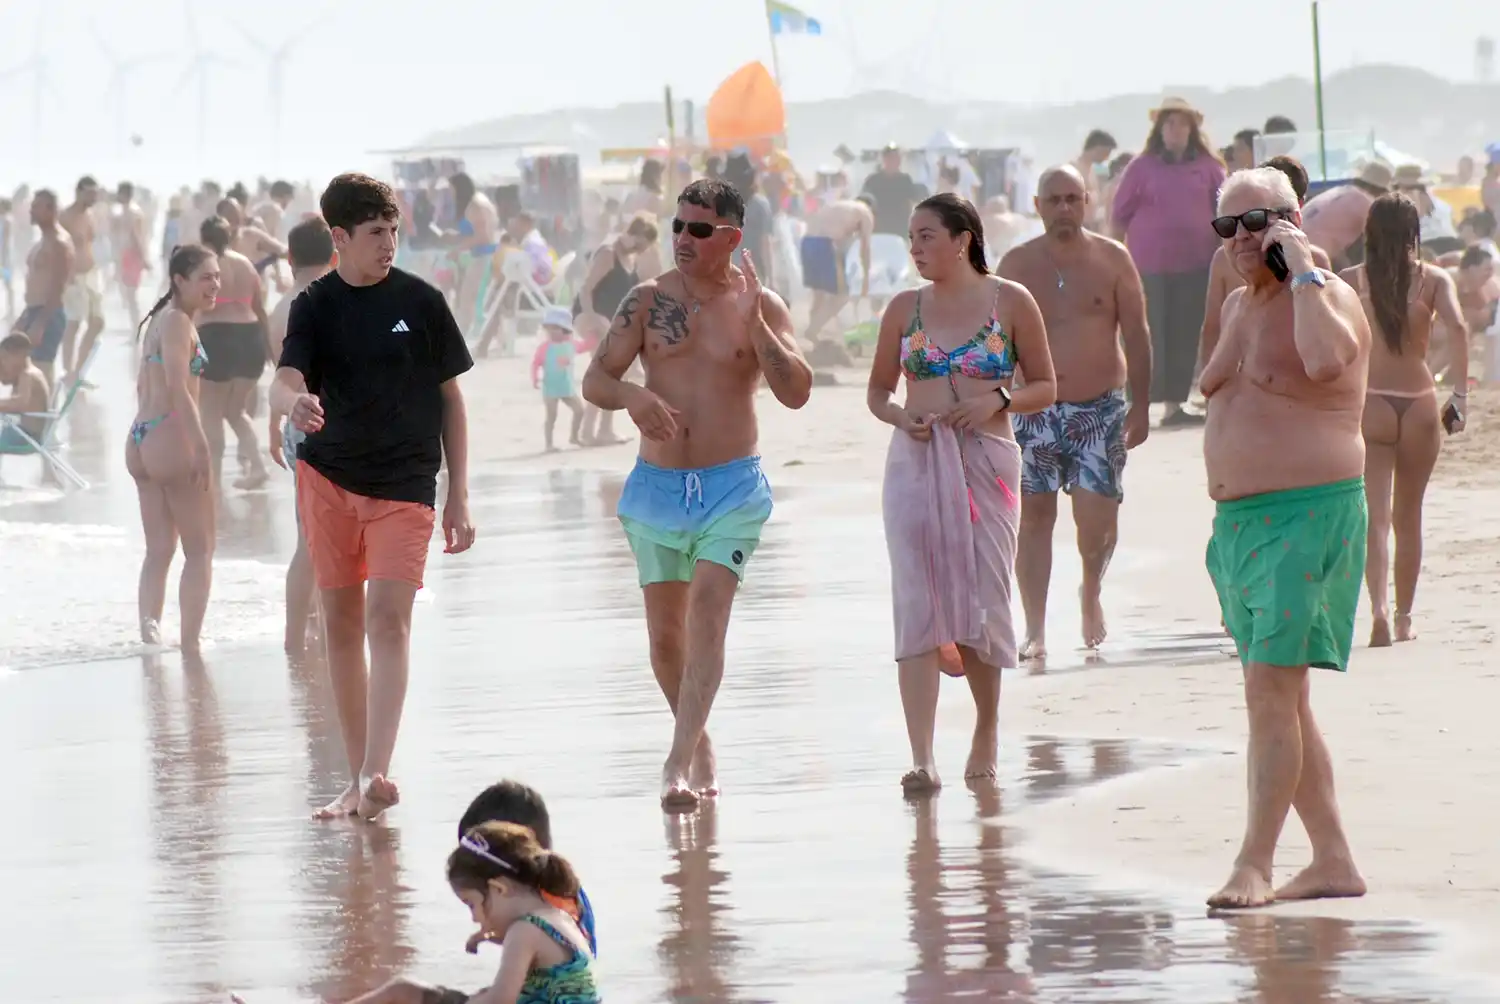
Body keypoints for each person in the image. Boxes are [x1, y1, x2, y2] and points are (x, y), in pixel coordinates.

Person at [581, 179, 812, 809]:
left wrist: (759, 325)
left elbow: (796, 390)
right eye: (678, 226)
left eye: (699, 230)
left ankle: (676, 763)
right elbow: (595, 378)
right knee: (665, 640)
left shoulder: (759, 304)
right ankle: (699, 740)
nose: (683, 238)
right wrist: (632, 396)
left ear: (732, 238)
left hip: (732, 485)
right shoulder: (647, 297)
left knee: (709, 614)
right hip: (656, 488)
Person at [271, 172, 476, 822]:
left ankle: (377, 769)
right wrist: (293, 401)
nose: (388, 244)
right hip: (328, 480)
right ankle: (357, 776)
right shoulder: (315, 305)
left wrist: (459, 494)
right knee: (339, 626)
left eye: (393, 231)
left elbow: (451, 398)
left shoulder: (420, 301)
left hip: (406, 485)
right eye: (375, 234)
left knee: (388, 620)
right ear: (339, 237)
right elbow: (284, 378)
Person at [1198, 166, 1370, 909]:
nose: (1241, 239)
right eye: (1226, 227)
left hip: (1309, 516)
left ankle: (1254, 863)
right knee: (1281, 700)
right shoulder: (1238, 303)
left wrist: (1299, 265)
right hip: (1240, 529)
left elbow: (1327, 360)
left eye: (1256, 221)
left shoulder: (1326, 296)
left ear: (1290, 220)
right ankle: (1333, 860)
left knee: (1271, 694)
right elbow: (1211, 382)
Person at [867, 193, 1056, 793]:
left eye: (927, 236)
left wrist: (997, 399)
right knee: (917, 599)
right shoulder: (903, 308)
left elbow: (1046, 386)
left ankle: (986, 726)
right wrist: (902, 419)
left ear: (963, 239)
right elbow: (877, 394)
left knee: (984, 594)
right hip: (916, 461)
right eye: (911, 238)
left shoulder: (1012, 301)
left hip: (988, 464)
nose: (916, 248)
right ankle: (921, 755)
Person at [999, 165, 1151, 659]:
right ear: (1038, 206)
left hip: (1100, 407)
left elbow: (1138, 333)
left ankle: (1091, 588)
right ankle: (1036, 627)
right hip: (1033, 409)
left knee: (1098, 521)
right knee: (1034, 519)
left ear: (1087, 203)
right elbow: (997, 341)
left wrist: (1143, 406)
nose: (1064, 208)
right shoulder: (1016, 265)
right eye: (1054, 200)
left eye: (1072, 199)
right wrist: (995, 408)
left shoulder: (1113, 259)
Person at [1340, 194, 1468, 647]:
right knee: (1407, 516)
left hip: (1370, 399)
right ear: (1415, 234)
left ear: (1369, 233)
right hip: (1418, 400)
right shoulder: (1433, 280)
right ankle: (1404, 616)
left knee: (1373, 517)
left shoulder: (1351, 280)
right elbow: (1457, 327)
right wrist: (1459, 393)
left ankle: (1375, 609)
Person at [1110, 96, 1226, 427]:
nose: (1175, 130)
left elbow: (1225, 210)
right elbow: (1119, 216)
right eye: (1169, 123)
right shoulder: (1141, 167)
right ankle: (1139, 404)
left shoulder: (1208, 167)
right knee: (1146, 334)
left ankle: (1175, 405)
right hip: (1147, 266)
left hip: (1196, 263)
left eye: (1182, 123)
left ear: (1193, 129)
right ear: (1159, 129)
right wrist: (1112, 257)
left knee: (1185, 333)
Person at [125, 245, 219, 652]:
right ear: (179, 280)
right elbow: (180, 387)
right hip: (170, 435)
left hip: (141, 437)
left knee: (159, 550)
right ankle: (190, 645)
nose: (215, 284)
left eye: (216, 276)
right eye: (205, 277)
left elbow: (145, 385)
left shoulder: (158, 320)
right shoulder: (179, 322)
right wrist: (200, 446)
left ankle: (150, 635)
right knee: (200, 550)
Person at [268, 217, 336, 658]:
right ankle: (333, 639)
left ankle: (296, 638)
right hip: (332, 425)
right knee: (336, 541)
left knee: (307, 540)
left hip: (295, 424)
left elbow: (279, 377)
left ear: (290, 257)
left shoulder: (278, 309)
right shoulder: (337, 298)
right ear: (335, 253)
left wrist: (272, 427)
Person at [1200, 156, 1334, 367]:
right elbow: (1212, 328)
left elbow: (1327, 349)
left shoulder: (1314, 261)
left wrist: (1303, 273)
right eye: (1227, 225)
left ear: (1295, 213)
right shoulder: (1225, 262)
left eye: (1255, 219)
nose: (1241, 234)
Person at [446, 822, 600, 1002]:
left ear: (498, 889)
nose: (474, 918)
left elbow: (500, 1000)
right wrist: (493, 938)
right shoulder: (558, 917)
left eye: (471, 904)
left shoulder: (523, 931)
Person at [197, 214, 271, 491]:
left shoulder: (204, 266)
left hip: (217, 336)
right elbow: (260, 307)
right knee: (235, 410)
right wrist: (269, 348)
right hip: (251, 336)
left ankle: (213, 479)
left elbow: (198, 305)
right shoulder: (245, 264)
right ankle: (258, 467)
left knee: (211, 411)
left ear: (204, 239)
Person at [572, 213, 659, 446]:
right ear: (634, 235)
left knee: (614, 372)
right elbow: (585, 289)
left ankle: (600, 430)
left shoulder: (630, 257)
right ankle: (592, 431)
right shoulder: (608, 253)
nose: (641, 251)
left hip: (611, 321)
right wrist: (593, 319)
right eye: (641, 245)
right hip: (589, 315)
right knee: (609, 371)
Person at [11, 190, 73, 384]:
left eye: (36, 207)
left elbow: (58, 287)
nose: (31, 210)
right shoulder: (42, 241)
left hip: (48, 315)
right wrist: (24, 317)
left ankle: (40, 413)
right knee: (22, 370)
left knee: (40, 371)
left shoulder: (59, 243)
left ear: (51, 210)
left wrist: (40, 323)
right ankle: (28, 412)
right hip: (33, 311)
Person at [799, 193, 874, 344]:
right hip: (825, 244)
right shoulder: (865, 211)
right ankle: (813, 329)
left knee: (819, 292)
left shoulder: (839, 206)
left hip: (807, 242)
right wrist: (866, 277)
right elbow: (865, 248)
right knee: (842, 296)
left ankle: (812, 335)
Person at [1299, 160, 1393, 269]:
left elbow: (1331, 238)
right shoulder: (1366, 203)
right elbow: (1381, 243)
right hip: (1311, 258)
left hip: (1293, 251)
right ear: (1381, 190)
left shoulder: (1340, 192)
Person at [58, 176, 106, 385]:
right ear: (78, 192)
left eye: (95, 194)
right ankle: (68, 371)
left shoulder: (90, 214)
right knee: (74, 323)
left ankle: (77, 370)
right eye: (89, 193)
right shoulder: (65, 217)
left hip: (91, 274)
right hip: (73, 276)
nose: (93, 198)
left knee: (97, 322)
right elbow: (58, 248)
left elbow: (91, 242)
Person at [530, 305, 586, 451]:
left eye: (557, 328)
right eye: (549, 328)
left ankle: (574, 436)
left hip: (566, 386)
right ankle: (549, 444)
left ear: (566, 330)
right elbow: (536, 363)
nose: (552, 332)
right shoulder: (544, 348)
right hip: (550, 388)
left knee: (580, 410)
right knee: (551, 416)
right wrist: (535, 378)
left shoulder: (571, 344)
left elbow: (585, 346)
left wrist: (596, 337)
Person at [0, 331, 51, 448]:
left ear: (20, 355)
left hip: (27, 436)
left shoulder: (27, 375)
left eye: (5, 357)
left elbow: (20, 404)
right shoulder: (32, 371)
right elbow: (5, 380)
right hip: (29, 433)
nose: (3, 362)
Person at [112, 181, 151, 330]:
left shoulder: (133, 212)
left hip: (132, 255)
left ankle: (137, 327)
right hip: (127, 254)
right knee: (129, 294)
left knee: (131, 295)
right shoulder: (125, 211)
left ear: (124, 194)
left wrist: (143, 258)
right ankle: (136, 326)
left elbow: (137, 236)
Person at [862, 143, 922, 237]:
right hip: (878, 230)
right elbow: (864, 204)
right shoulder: (873, 180)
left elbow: (912, 203)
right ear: (884, 159)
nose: (895, 161)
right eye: (891, 158)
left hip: (900, 230)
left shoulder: (905, 180)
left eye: (898, 158)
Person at [1074, 129, 1117, 229]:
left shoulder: (1092, 171)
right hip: (1079, 226)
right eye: (1106, 152)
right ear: (1097, 148)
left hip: (1090, 225)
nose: (1107, 157)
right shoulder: (1074, 170)